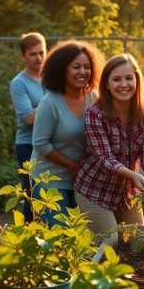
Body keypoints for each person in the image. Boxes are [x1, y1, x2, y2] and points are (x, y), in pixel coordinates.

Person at [74, 54, 144, 245]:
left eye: (129, 78)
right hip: (94, 190)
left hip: (125, 193)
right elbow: (104, 158)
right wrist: (133, 175)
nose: (124, 84)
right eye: (117, 79)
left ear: (137, 80)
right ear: (107, 84)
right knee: (110, 240)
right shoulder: (95, 114)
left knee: (138, 241)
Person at [31, 39, 103, 226]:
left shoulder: (93, 97)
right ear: (62, 69)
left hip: (82, 179)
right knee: (59, 234)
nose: (82, 72)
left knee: (83, 233)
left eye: (87, 67)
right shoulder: (49, 103)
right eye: (76, 67)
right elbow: (40, 144)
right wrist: (71, 166)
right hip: (49, 179)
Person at [10, 32, 47, 222]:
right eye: (33, 54)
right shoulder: (19, 83)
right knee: (31, 194)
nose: (39, 58)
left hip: (51, 144)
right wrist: (51, 105)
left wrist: (38, 108)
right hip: (27, 145)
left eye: (42, 52)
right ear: (23, 55)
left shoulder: (51, 78)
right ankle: (27, 237)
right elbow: (28, 118)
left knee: (50, 194)